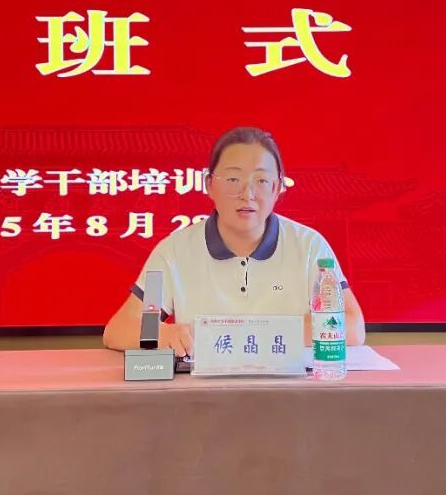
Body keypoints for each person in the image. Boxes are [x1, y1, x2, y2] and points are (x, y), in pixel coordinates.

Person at [103, 126, 365, 356]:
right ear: (209, 185)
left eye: (261, 180)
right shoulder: (174, 250)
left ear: (277, 188)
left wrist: (257, 336)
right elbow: (119, 329)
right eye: (233, 179)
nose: (247, 194)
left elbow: (352, 326)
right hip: (203, 391)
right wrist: (165, 334)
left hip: (290, 388)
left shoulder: (308, 246)